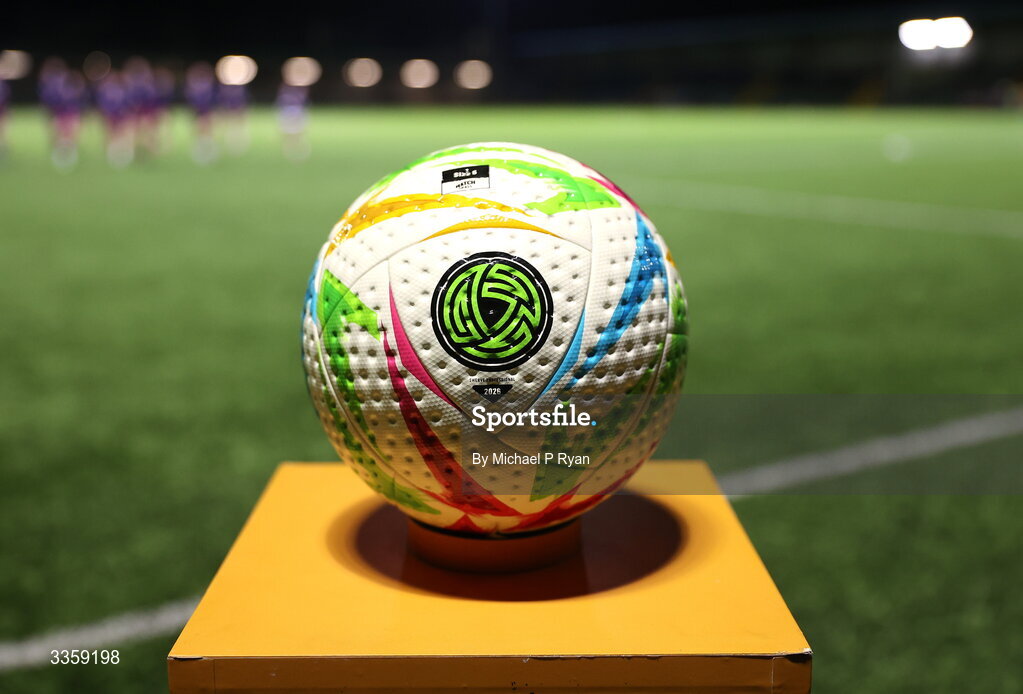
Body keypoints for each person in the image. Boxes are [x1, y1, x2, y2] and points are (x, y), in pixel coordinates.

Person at [39, 58, 86, 170]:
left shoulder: (55, 81)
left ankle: (65, 156)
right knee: (66, 134)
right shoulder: (62, 80)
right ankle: (65, 156)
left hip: (64, 111)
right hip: (65, 110)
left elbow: (48, 100)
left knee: (63, 134)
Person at [94, 71, 133, 167]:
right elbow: (103, 105)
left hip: (120, 116)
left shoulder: (122, 90)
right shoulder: (105, 91)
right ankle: (112, 154)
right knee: (112, 135)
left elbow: (127, 103)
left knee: (121, 134)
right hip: (112, 116)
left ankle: (122, 154)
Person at [184, 62, 217, 164]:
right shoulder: (195, 87)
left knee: (205, 132)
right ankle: (203, 150)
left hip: (204, 112)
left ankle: (208, 151)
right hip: (198, 112)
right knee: (200, 132)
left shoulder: (205, 86)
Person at [276, 82, 310, 161]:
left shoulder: (299, 93)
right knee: (288, 134)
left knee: (297, 133)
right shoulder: (285, 94)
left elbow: (304, 102)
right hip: (288, 113)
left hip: (296, 113)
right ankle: (289, 149)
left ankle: (298, 148)